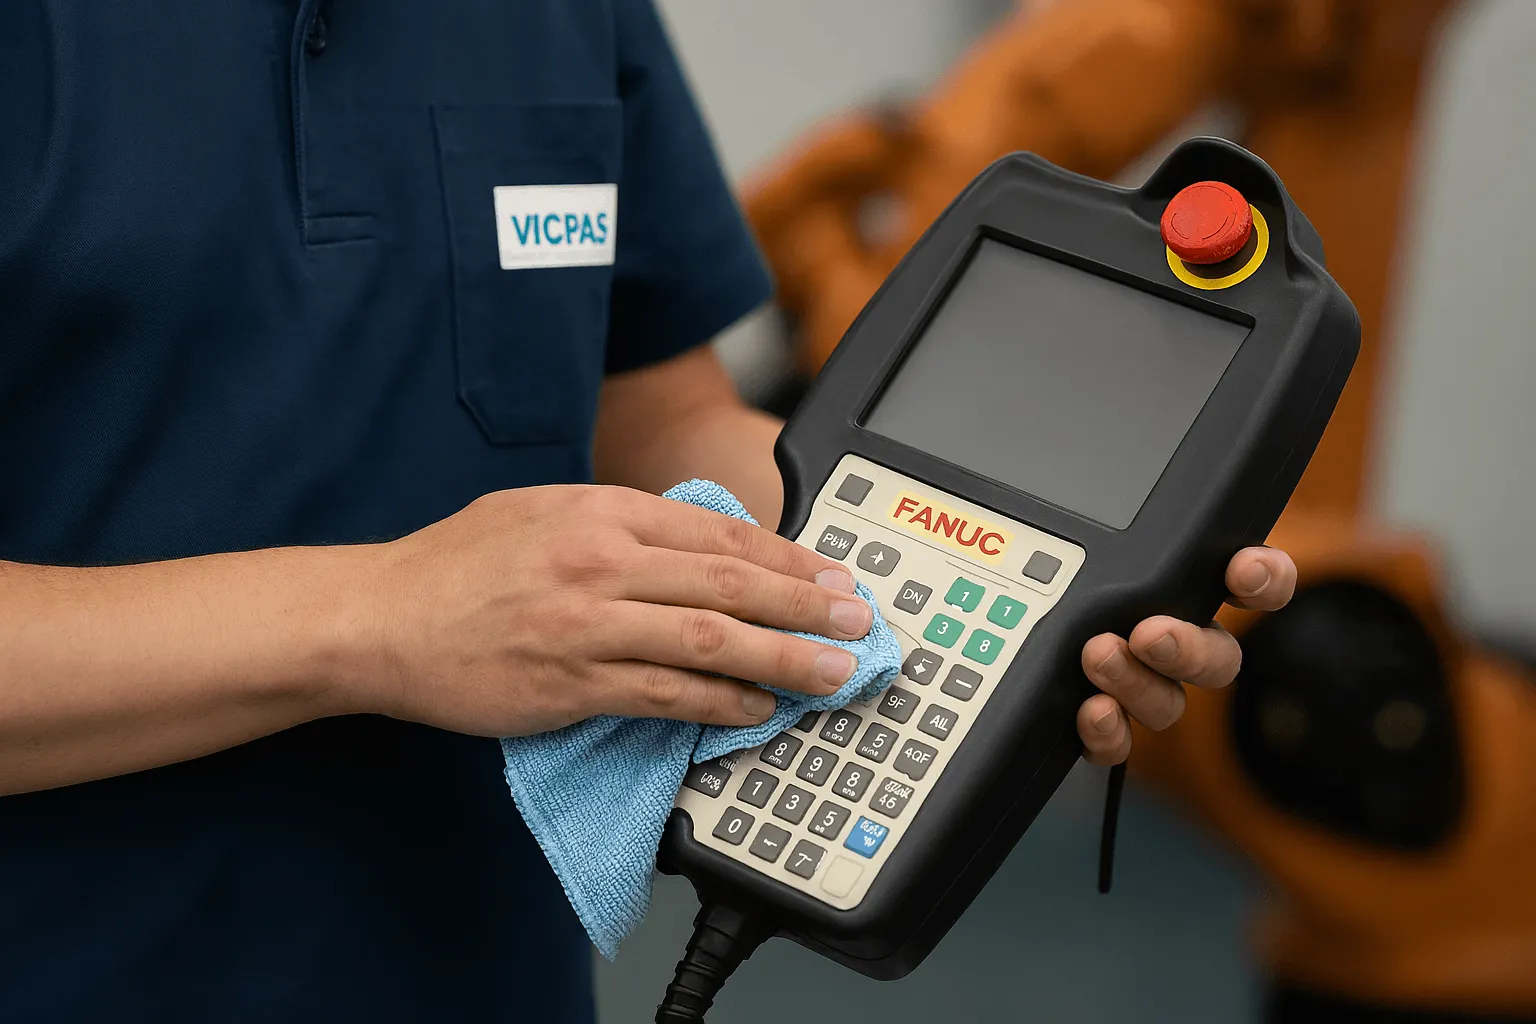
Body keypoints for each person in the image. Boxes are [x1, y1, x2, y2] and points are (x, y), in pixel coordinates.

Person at [0, 2, 1299, 1021]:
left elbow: (662, 421)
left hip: (481, 969)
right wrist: (378, 616)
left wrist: (969, 584)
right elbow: (411, 606)